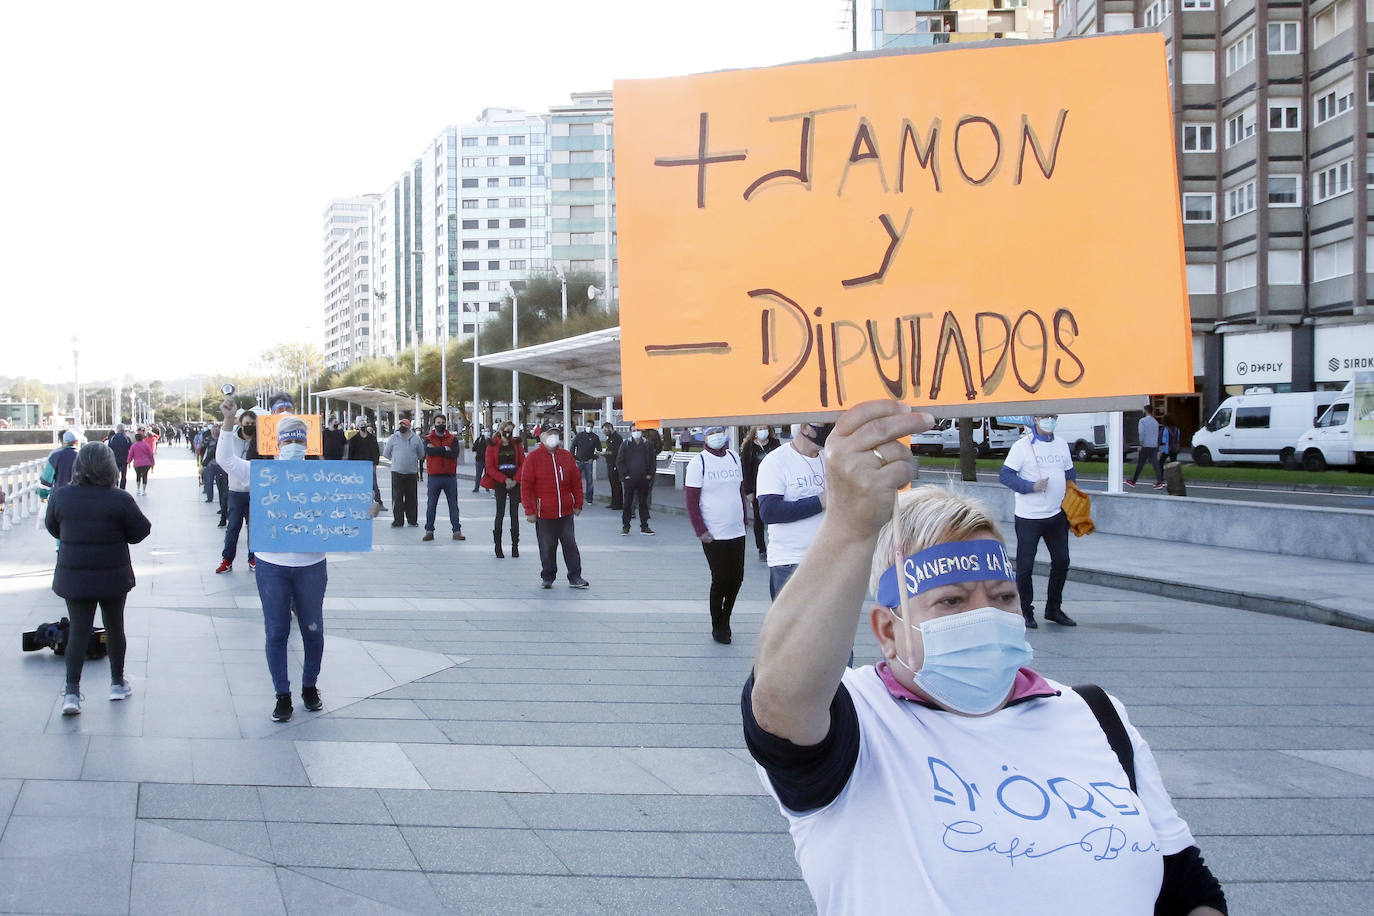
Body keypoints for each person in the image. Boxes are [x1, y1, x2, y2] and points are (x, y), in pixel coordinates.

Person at [742, 401, 1227, 916]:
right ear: (888, 630)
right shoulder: (856, 726)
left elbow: (1186, 887)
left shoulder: (1096, 714)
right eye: (952, 601)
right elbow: (778, 702)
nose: (985, 614)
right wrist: (849, 524)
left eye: (1002, 597)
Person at [215, 399, 328, 722]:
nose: (292, 445)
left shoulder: (320, 474)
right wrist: (227, 421)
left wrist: (366, 512)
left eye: (297, 439)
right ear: (276, 444)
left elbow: (347, 506)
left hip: (311, 565)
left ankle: (310, 686)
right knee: (276, 631)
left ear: (306, 444)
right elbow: (224, 459)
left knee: (313, 629)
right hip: (271, 565)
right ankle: (282, 694)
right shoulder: (260, 472)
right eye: (287, 439)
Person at [44, 442, 150, 716]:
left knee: (79, 631)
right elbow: (141, 532)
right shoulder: (119, 498)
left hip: (74, 577)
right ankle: (116, 683)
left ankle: (71, 693)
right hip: (113, 576)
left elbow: (52, 526)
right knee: (115, 627)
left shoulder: (62, 497)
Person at [1000, 413, 1078, 628]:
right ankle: (1025, 610)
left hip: (1056, 515)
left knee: (1062, 561)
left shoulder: (1061, 445)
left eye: (1053, 416)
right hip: (1029, 517)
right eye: (1045, 416)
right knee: (1025, 566)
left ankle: (1054, 609)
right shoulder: (1022, 446)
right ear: (1035, 419)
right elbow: (1005, 476)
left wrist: (1071, 501)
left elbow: (1070, 474)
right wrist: (1030, 487)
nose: (1050, 420)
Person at [686, 426, 747, 644]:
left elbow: (739, 490)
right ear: (705, 437)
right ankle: (718, 624)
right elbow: (691, 500)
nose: (717, 436)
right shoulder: (698, 463)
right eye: (712, 433)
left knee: (737, 578)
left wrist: (744, 518)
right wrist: (700, 530)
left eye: (720, 431)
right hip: (713, 531)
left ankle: (727, 616)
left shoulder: (733, 457)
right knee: (720, 578)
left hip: (736, 529)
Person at [757, 421, 831, 599]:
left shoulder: (828, 458)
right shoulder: (776, 462)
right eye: (824, 424)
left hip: (827, 559)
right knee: (792, 626)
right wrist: (819, 501)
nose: (830, 429)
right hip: (791, 562)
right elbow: (769, 512)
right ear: (805, 427)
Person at [520, 426, 588, 589]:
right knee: (547, 545)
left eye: (556, 434)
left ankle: (575, 576)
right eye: (550, 434)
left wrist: (578, 503)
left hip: (565, 511)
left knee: (570, 543)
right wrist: (529, 510)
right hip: (544, 511)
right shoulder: (533, 458)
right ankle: (548, 576)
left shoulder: (566, 456)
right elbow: (526, 485)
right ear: (542, 436)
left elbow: (576, 482)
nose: (554, 437)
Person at [216, 409, 257, 573]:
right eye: (247, 424)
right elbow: (223, 458)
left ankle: (253, 558)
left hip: (255, 491)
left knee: (253, 527)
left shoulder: (261, 441)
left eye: (253, 424)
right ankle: (227, 559)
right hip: (236, 490)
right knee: (233, 526)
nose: (250, 427)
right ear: (240, 423)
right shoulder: (232, 440)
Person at [481, 420, 524, 558]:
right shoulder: (492, 446)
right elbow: (490, 467)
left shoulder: (517, 445)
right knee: (500, 513)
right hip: (500, 482)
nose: (508, 433)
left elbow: (523, 464)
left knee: (514, 514)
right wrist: (504, 479)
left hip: (514, 482)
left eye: (511, 430)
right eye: (506, 430)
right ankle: (498, 546)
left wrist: (515, 480)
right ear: (500, 430)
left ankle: (515, 546)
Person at [741, 425, 782, 562]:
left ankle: (776, 546)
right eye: (760, 428)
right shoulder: (749, 447)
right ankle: (762, 549)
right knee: (759, 519)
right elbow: (745, 470)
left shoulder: (775, 444)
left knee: (776, 517)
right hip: (757, 487)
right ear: (755, 431)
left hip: (776, 486)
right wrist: (748, 491)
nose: (762, 431)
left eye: (764, 428)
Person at [422, 414, 464, 542]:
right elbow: (429, 452)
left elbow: (454, 454)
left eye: (443, 422)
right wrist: (445, 449)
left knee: (453, 505)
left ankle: (456, 531)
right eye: (438, 422)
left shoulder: (452, 438)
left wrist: (438, 450)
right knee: (431, 505)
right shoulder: (428, 438)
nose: (441, 424)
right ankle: (429, 531)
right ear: (434, 424)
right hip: (434, 476)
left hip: (449, 476)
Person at [383, 415, 424, 528]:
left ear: (409, 426)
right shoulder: (393, 438)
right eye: (401, 424)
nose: (402, 426)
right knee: (397, 497)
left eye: (404, 424)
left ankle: (412, 520)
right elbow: (386, 453)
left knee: (411, 497)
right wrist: (396, 460)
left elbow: (421, 454)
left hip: (411, 472)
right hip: (397, 472)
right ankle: (398, 520)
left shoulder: (416, 438)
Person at [617, 427, 657, 536]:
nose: (636, 432)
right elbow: (620, 460)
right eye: (634, 430)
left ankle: (644, 526)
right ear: (630, 432)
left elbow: (652, 460)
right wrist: (625, 475)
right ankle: (626, 526)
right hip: (629, 479)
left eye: (638, 430)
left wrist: (650, 474)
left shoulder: (647, 444)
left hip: (643, 478)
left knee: (643, 503)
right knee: (627, 503)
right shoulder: (625, 444)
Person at [344, 422, 383, 510]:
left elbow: (376, 452)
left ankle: (378, 502)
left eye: (364, 425)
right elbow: (351, 454)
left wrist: (375, 464)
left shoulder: (372, 438)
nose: (362, 427)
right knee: (358, 485)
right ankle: (358, 502)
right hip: (358, 466)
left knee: (374, 485)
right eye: (361, 425)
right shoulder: (354, 439)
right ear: (358, 427)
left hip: (370, 465)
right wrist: (351, 466)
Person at [39, 431, 81, 500]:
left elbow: (46, 479)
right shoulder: (83, 456)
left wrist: (43, 495)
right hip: (79, 497)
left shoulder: (55, 456)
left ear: (63, 441)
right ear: (76, 442)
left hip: (60, 497)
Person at [1130, 409, 1163, 489]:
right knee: (1155, 464)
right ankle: (1160, 481)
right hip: (1153, 446)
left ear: (1145, 411)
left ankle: (1133, 481)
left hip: (1145, 445)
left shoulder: (1142, 421)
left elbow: (1141, 433)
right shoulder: (1155, 422)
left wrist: (1140, 444)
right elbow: (1157, 434)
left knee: (1140, 464)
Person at [571, 423, 601, 502]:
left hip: (589, 462)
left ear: (593, 427)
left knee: (589, 481)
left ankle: (589, 499)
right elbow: (573, 446)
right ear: (585, 426)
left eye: (591, 426)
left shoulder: (595, 437)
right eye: (588, 426)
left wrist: (594, 458)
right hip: (579, 461)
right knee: (575, 480)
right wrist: (574, 458)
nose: (589, 427)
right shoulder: (579, 436)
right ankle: (575, 497)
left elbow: (599, 450)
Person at [600, 422, 623, 510]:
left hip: (615, 463)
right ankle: (613, 502)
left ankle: (619, 503)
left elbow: (616, 451)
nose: (605, 433)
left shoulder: (617, 438)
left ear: (610, 428)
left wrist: (605, 453)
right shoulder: (609, 439)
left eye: (605, 430)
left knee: (616, 483)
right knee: (612, 483)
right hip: (609, 463)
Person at [127, 431, 156, 496]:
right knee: (145, 476)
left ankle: (138, 489)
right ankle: (144, 490)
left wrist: (129, 462)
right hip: (146, 463)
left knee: (138, 475)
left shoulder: (133, 446)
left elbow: (130, 455)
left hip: (137, 463)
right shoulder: (146, 445)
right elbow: (150, 454)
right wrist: (152, 462)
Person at [107, 424, 132, 489]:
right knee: (124, 475)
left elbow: (109, 449)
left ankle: (116, 486)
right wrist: (130, 459)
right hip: (124, 459)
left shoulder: (112, 438)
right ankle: (122, 488)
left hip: (115, 459)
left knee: (115, 474)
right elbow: (130, 449)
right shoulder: (127, 438)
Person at [471, 426, 490, 492]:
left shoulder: (489, 440)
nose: (487, 433)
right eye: (486, 431)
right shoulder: (479, 440)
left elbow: (474, 448)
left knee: (482, 475)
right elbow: (474, 448)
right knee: (480, 475)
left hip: (485, 460)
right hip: (481, 460)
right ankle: (480, 487)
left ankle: (481, 487)